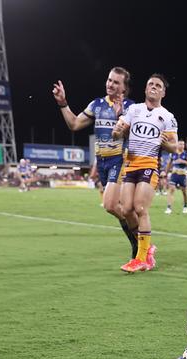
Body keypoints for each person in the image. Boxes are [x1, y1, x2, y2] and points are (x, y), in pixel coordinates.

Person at [52, 67, 139, 259]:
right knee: (122, 209)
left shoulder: (132, 108)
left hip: (120, 159)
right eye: (109, 80)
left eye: (116, 82)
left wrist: (119, 116)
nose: (111, 84)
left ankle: (138, 242)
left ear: (124, 87)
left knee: (109, 205)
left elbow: (133, 136)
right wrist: (62, 103)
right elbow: (74, 124)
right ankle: (141, 240)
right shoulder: (97, 104)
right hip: (102, 162)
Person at [112, 73, 178, 273]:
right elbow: (120, 130)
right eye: (151, 84)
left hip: (150, 164)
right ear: (145, 89)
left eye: (158, 85)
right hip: (131, 164)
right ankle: (148, 249)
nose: (154, 87)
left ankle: (141, 258)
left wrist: (167, 144)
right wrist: (117, 130)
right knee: (125, 210)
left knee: (140, 207)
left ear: (163, 92)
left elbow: (174, 147)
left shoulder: (167, 117)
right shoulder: (134, 110)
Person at [165, 140, 187, 214]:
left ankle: (185, 206)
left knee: (184, 192)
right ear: (177, 145)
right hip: (174, 174)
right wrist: (166, 173)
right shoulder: (173, 153)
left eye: (183, 144)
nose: (182, 146)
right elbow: (169, 164)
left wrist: (183, 161)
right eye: (180, 144)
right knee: (171, 189)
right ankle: (169, 207)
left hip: (182, 175)